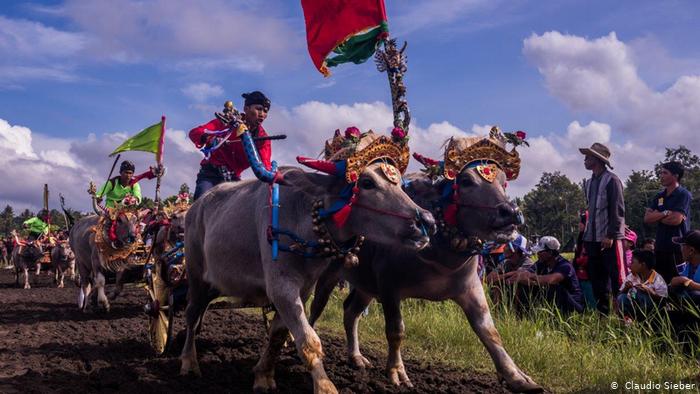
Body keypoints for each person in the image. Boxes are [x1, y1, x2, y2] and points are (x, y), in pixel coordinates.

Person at [189, 92, 272, 200]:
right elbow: (195, 132)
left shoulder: (263, 139)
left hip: (233, 180)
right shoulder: (226, 122)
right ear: (246, 108)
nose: (262, 114)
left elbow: (266, 167)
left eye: (265, 111)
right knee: (200, 202)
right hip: (210, 174)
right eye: (259, 109)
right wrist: (208, 138)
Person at [580, 142, 626, 314]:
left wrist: (611, 235)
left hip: (609, 239)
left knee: (617, 279)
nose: (585, 160)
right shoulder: (589, 183)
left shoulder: (612, 181)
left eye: (588, 157)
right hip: (592, 239)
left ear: (597, 160)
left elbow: (618, 210)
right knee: (597, 280)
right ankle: (603, 315)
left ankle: (623, 316)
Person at [507, 236, 584, 315]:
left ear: (550, 253)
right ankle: (523, 315)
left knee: (555, 288)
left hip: (573, 305)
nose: (538, 254)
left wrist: (531, 276)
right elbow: (525, 273)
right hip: (554, 303)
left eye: (540, 252)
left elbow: (551, 280)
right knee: (525, 284)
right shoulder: (541, 263)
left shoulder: (565, 266)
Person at [644, 161, 692, 284]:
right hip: (660, 247)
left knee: (677, 284)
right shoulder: (659, 196)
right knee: (660, 284)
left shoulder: (683, 194)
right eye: (661, 172)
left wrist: (657, 216)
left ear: (675, 176)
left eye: (665, 173)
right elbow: (647, 218)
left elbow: (676, 220)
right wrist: (665, 213)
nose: (661, 175)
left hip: (676, 249)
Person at [617, 249, 668, 322]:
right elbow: (619, 295)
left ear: (642, 265)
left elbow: (664, 301)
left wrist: (651, 292)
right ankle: (627, 322)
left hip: (651, 312)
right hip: (634, 304)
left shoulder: (658, 280)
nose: (630, 265)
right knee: (622, 298)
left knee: (641, 295)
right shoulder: (631, 276)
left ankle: (644, 323)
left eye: (633, 262)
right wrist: (625, 288)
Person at [485, 235, 533, 305]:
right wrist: (507, 275)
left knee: (519, 286)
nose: (504, 248)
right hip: (509, 295)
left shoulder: (527, 262)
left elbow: (516, 277)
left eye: (507, 246)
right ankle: (497, 312)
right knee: (496, 287)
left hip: (524, 300)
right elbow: (488, 279)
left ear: (514, 249)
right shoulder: (505, 262)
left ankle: (519, 314)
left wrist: (502, 277)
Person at [668, 230, 700, 307]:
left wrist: (687, 282)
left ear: (691, 250)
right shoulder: (688, 266)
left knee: (696, 295)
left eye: (682, 246)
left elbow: (687, 283)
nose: (681, 249)